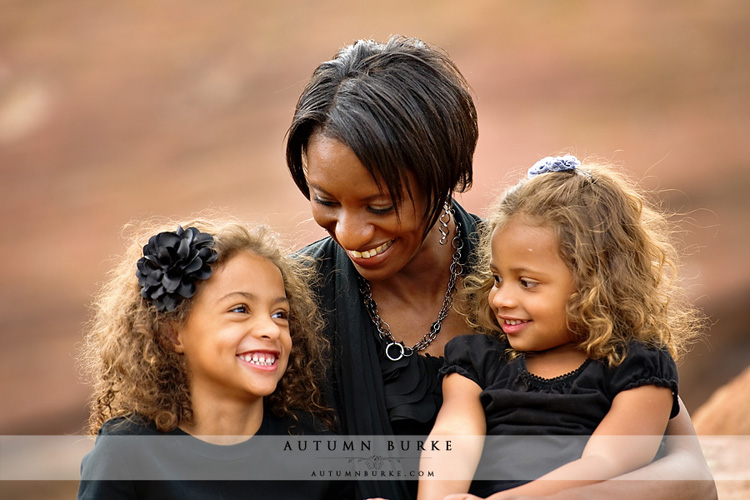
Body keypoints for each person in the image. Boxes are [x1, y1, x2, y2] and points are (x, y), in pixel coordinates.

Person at [285, 35, 716, 500]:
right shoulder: (287, 304)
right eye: (325, 200)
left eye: (380, 205)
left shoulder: (543, 268)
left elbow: (691, 475)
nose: (348, 233)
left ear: (444, 175)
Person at [417, 155, 707, 500]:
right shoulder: (478, 360)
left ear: (593, 285)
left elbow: (608, 461)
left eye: (526, 282)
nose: (501, 298)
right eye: (497, 278)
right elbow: (454, 435)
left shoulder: (635, 366)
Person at [77, 219, 349, 499]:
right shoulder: (128, 451)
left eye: (280, 314)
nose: (271, 329)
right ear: (172, 334)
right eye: (241, 309)